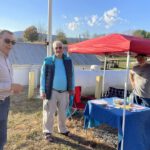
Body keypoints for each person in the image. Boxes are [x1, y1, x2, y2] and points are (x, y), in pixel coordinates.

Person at [40, 40, 75, 142]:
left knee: (63, 113)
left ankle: (63, 129)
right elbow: (42, 77)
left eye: (60, 47)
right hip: (51, 91)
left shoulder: (68, 61)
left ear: (63, 48)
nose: (58, 49)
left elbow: (72, 75)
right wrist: (42, 89)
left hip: (64, 92)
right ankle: (47, 131)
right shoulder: (48, 61)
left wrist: (72, 87)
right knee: (49, 112)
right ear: (53, 49)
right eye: (56, 48)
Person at [0, 30, 23, 150]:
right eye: (7, 40)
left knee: (2, 139)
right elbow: (8, 84)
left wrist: (11, 90)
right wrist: (11, 86)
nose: (10, 44)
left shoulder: (7, 59)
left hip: (5, 102)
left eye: (12, 42)